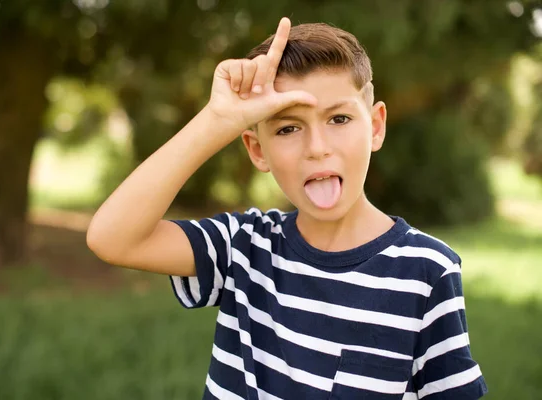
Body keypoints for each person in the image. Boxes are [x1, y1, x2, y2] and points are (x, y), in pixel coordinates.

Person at [86, 17, 488, 400]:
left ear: (376, 126)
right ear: (257, 150)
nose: (317, 147)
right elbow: (112, 238)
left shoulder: (427, 270)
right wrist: (215, 120)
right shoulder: (242, 247)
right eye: (288, 128)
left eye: (340, 118)